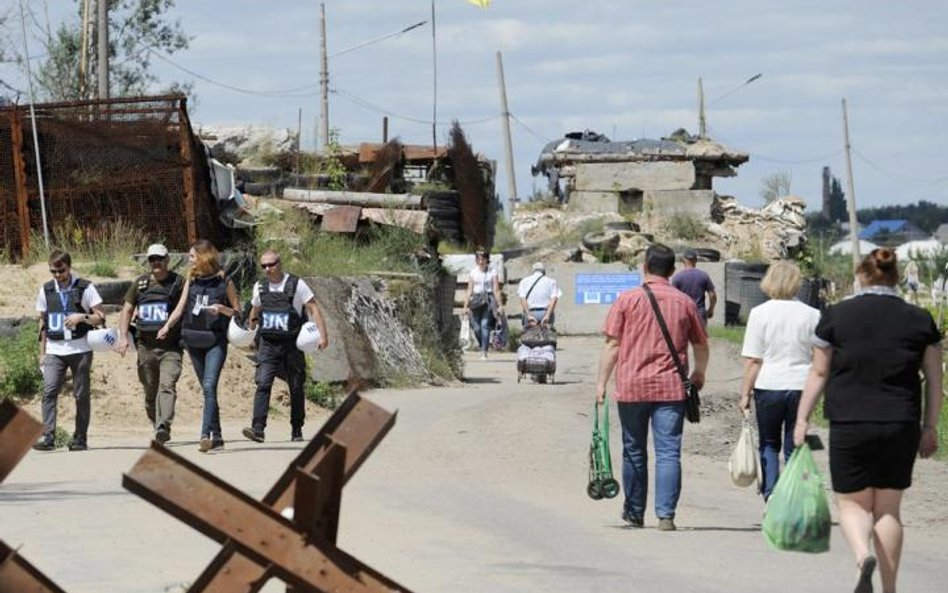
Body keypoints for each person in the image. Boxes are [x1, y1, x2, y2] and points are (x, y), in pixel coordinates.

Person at [794, 248, 942, 593]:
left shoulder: (835, 316)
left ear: (861, 276)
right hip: (900, 422)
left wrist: (802, 419)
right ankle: (889, 589)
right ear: (896, 277)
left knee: (852, 503)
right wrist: (930, 427)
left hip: (850, 421)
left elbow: (819, 371)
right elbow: (935, 380)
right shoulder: (920, 319)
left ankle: (863, 558)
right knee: (889, 509)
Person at [595, 244, 709, 531]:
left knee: (634, 449)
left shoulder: (626, 299)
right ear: (673, 271)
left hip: (632, 386)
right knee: (669, 451)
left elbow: (612, 345)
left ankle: (634, 513)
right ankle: (666, 515)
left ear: (644, 266)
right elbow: (701, 345)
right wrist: (698, 373)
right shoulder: (684, 302)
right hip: (671, 389)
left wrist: (601, 383)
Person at [738, 261, 820, 500]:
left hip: (769, 385)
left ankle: (771, 493)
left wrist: (745, 394)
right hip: (801, 386)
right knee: (795, 444)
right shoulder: (812, 314)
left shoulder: (759, 313)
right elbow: (819, 357)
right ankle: (794, 495)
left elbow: (754, 360)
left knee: (768, 442)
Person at [158, 240, 241, 453]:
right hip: (193, 341)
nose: (189, 259)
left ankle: (205, 435)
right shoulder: (191, 280)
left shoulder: (225, 281)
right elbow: (180, 307)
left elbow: (238, 313)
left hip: (215, 341)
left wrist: (222, 309)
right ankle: (219, 436)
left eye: (192, 256)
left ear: (204, 257)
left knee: (209, 386)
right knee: (208, 391)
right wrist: (167, 326)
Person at [242, 250, 329, 444]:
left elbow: (313, 308)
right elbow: (255, 308)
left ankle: (296, 427)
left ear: (280, 263)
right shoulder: (260, 287)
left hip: (292, 344)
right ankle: (258, 429)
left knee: (296, 387)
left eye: (271, 265)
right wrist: (251, 327)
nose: (267, 269)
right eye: (263, 266)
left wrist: (323, 336)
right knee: (263, 383)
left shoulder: (297, 284)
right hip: (268, 344)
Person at [32, 250, 106, 451]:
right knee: (49, 391)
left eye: (61, 270)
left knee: (81, 394)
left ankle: (80, 438)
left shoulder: (85, 287)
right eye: (53, 271)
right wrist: (42, 352)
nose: (57, 275)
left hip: (80, 348)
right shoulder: (46, 290)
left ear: (69, 267)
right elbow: (42, 323)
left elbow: (100, 316)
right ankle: (48, 437)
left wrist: (82, 317)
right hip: (54, 350)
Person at [117, 243, 184, 444]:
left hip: (170, 347)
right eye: (152, 259)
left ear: (167, 260)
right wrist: (122, 337)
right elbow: (127, 310)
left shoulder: (179, 283)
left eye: (160, 259)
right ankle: (157, 425)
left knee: (167, 385)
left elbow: (183, 308)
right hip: (145, 346)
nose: (156, 263)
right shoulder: (140, 284)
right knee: (150, 389)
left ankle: (164, 424)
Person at [463, 249, 504, 360]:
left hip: (488, 300)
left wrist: (500, 305)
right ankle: (483, 345)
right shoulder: (473, 272)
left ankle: (484, 351)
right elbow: (469, 289)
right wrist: (465, 306)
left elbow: (496, 289)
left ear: (487, 260)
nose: (481, 261)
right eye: (478, 259)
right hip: (476, 300)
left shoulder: (492, 272)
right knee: (476, 327)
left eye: (483, 259)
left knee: (484, 325)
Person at [671, 249, 717, 326]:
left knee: (684, 338)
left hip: (683, 314)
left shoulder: (677, 277)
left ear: (683, 260)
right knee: (699, 338)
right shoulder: (704, 276)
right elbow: (712, 295)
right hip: (699, 314)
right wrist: (710, 310)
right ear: (696, 260)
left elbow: (672, 298)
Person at [517, 261, 562, 328]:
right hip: (545, 312)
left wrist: (529, 316)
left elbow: (523, 299)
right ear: (544, 271)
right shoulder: (551, 281)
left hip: (531, 312)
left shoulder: (524, 281)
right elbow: (554, 299)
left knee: (528, 335)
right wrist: (547, 316)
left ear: (533, 271)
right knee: (548, 334)